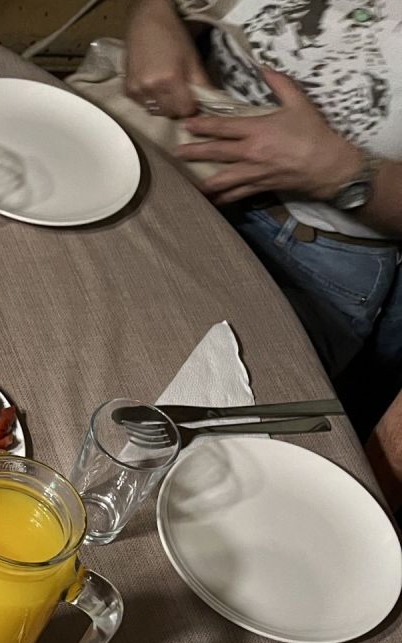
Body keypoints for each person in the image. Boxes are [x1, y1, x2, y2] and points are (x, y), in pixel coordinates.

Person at [124, 0, 402, 435]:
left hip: (319, 255)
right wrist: (153, 12)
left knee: (167, 419)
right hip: (180, 157)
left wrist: (342, 172)